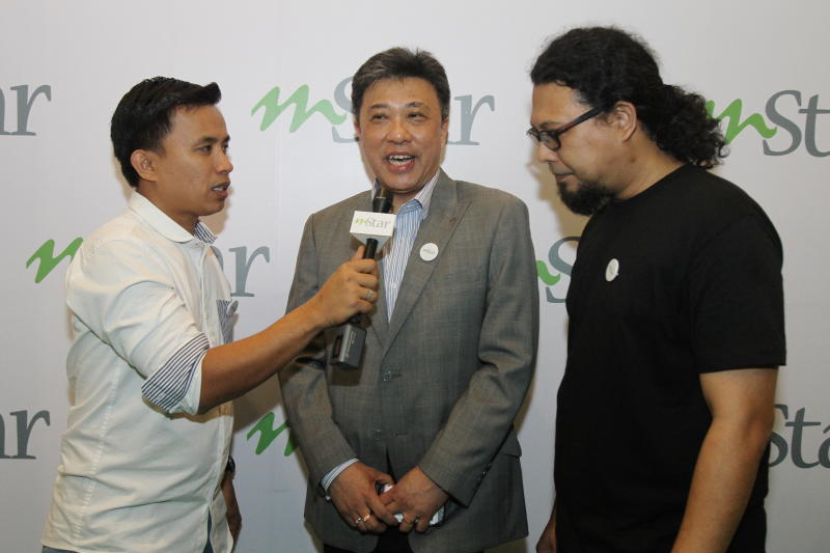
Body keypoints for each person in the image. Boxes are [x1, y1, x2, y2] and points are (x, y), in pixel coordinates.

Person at [41, 77, 379, 553]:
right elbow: (193, 383)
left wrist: (222, 481)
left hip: (197, 527)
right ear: (146, 164)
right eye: (205, 149)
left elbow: (208, 390)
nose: (225, 163)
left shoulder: (198, 252)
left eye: (224, 145)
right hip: (116, 537)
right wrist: (317, 312)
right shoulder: (119, 252)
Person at [529, 27, 785, 553]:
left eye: (554, 134)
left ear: (621, 119)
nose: (544, 154)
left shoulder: (723, 226)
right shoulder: (602, 225)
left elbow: (743, 422)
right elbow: (594, 395)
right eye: (537, 136)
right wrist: (562, 518)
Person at [279, 48, 538, 553]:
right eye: (380, 117)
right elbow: (298, 361)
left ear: (445, 126)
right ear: (358, 129)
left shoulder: (497, 217)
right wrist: (337, 469)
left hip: (459, 513)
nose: (397, 134)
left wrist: (438, 476)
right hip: (351, 512)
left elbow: (508, 364)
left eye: (415, 116)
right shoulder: (323, 228)